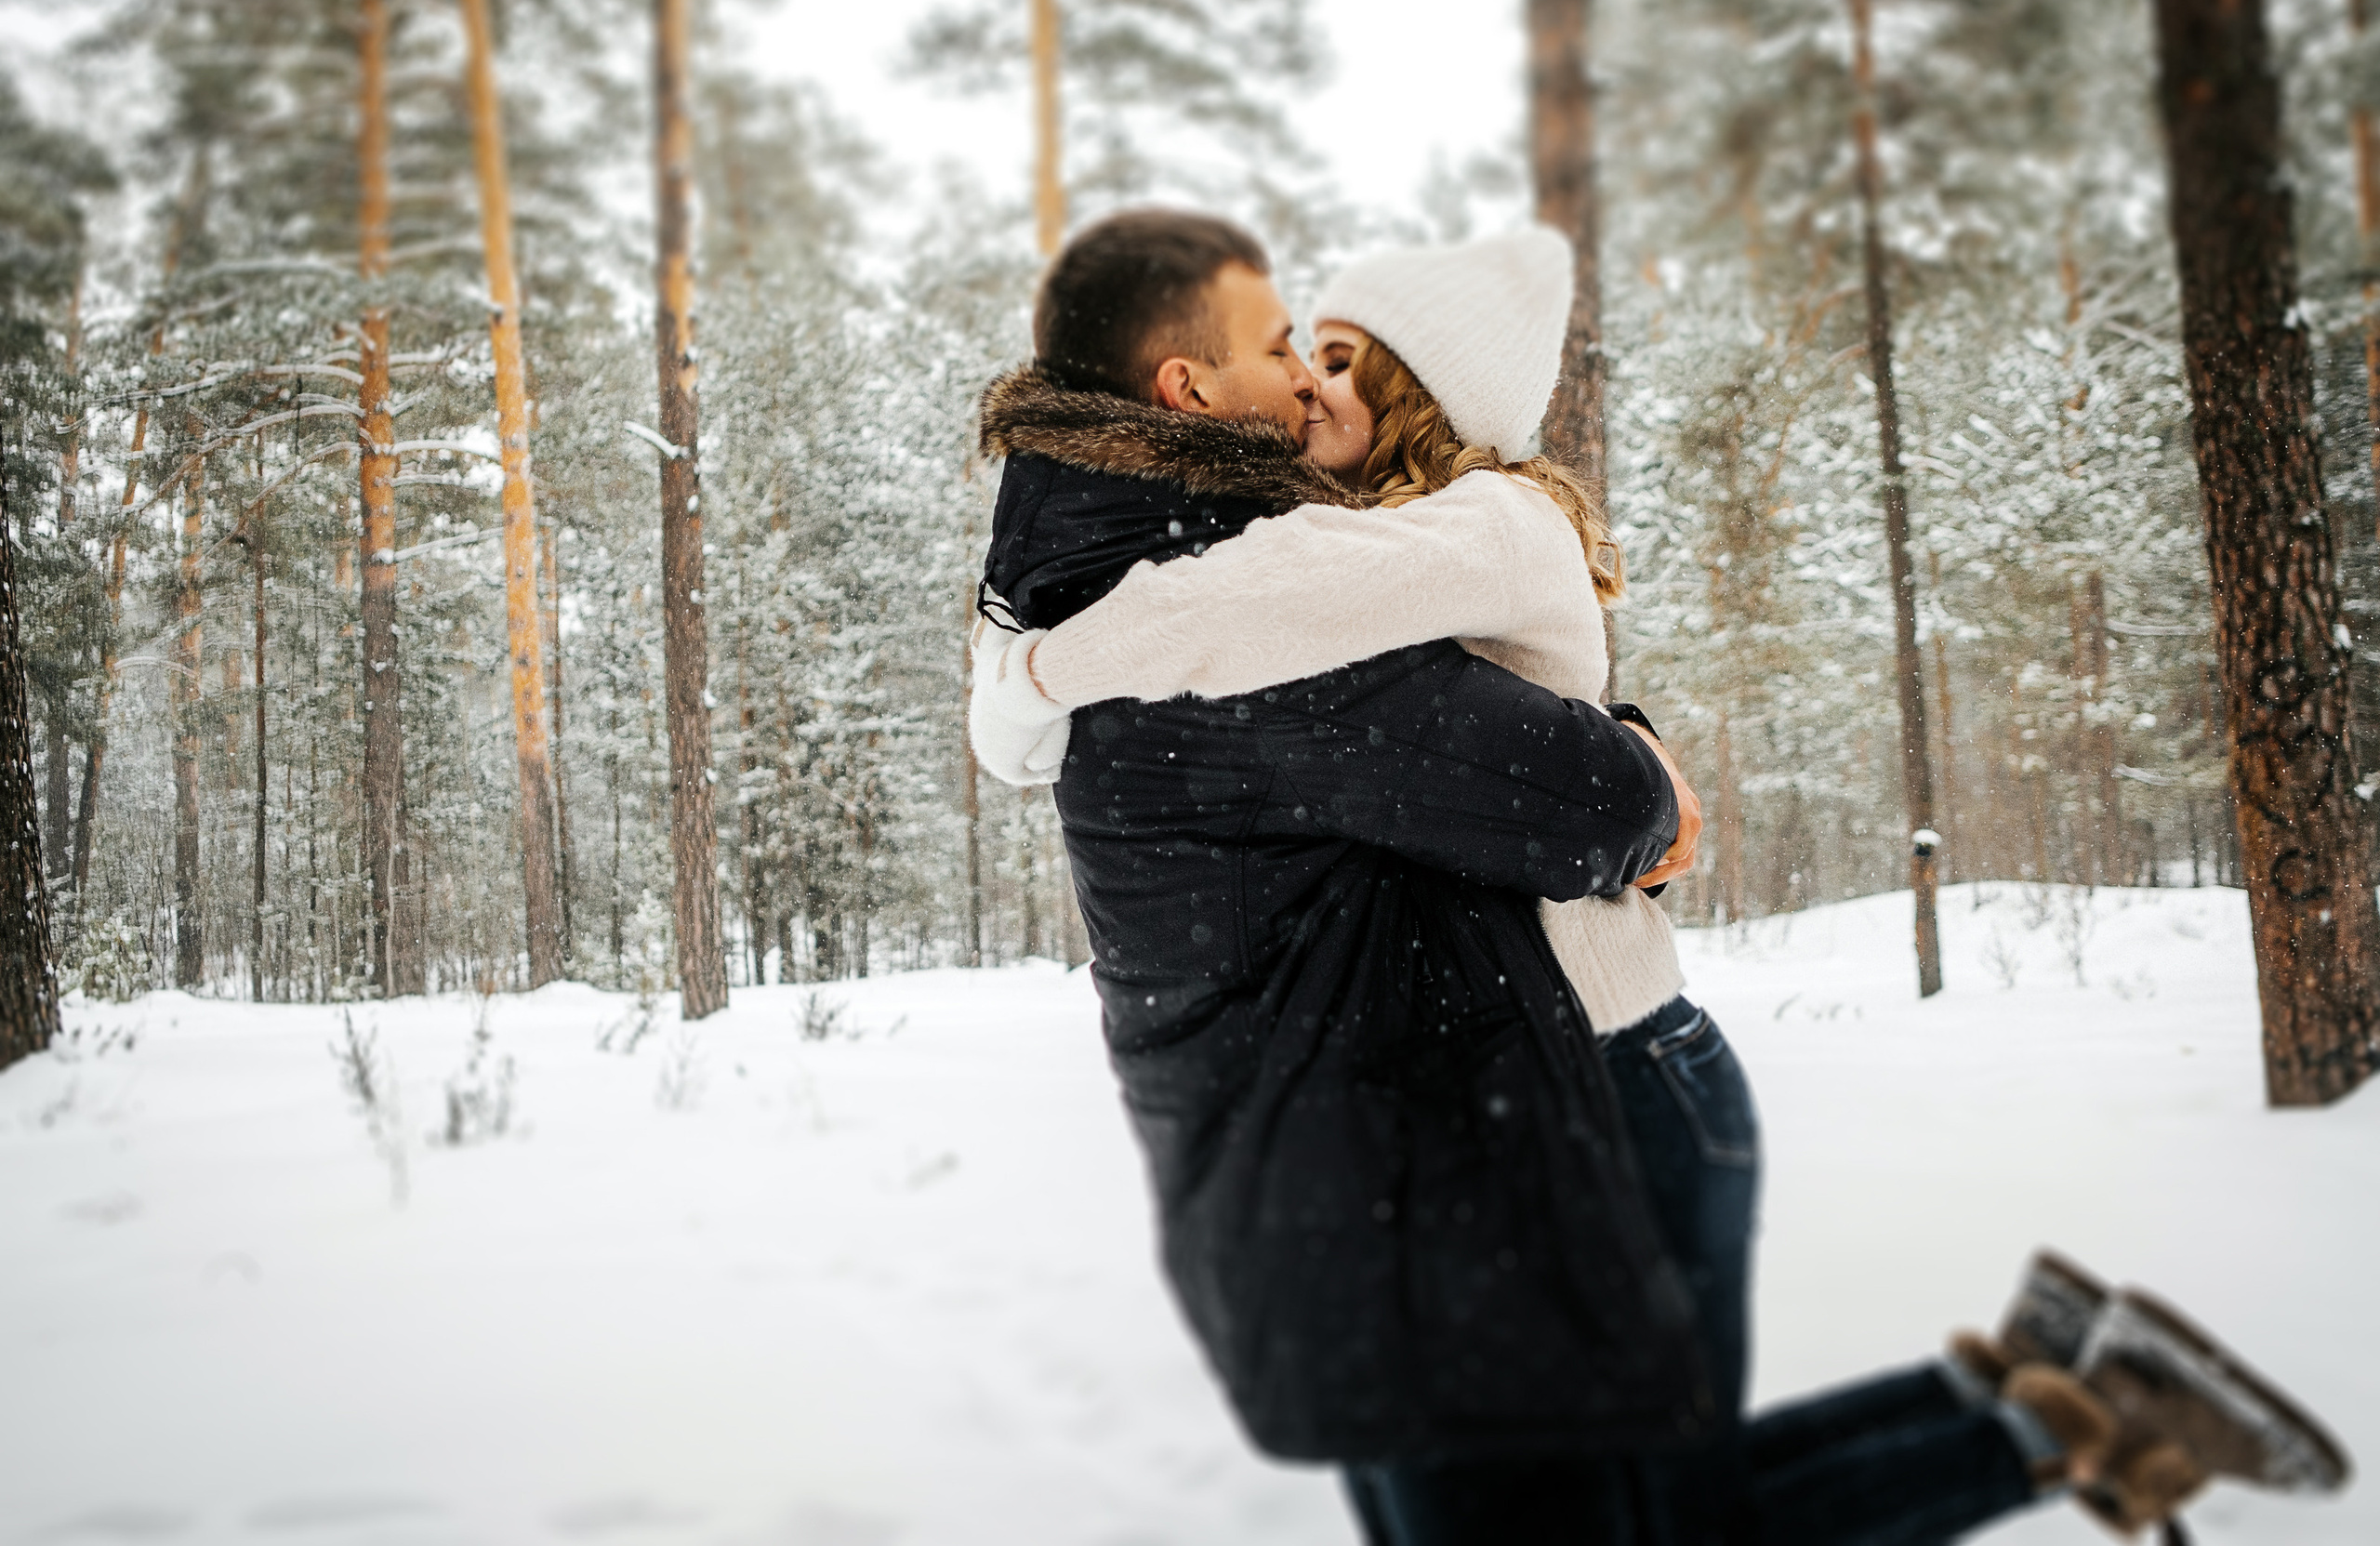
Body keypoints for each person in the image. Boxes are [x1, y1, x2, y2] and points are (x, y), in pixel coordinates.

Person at [966, 211, 2348, 1543]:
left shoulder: (1482, 522)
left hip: (1610, 1066)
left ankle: (2060, 1414)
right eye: (1297, 349)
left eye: (1337, 357)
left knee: (1658, 1519)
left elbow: (1276, 619)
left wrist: (1034, 668)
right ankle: (2036, 1402)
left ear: (1420, 394)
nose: (1309, 384)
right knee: (1669, 1511)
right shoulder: (1363, 551)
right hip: (1514, 1097)